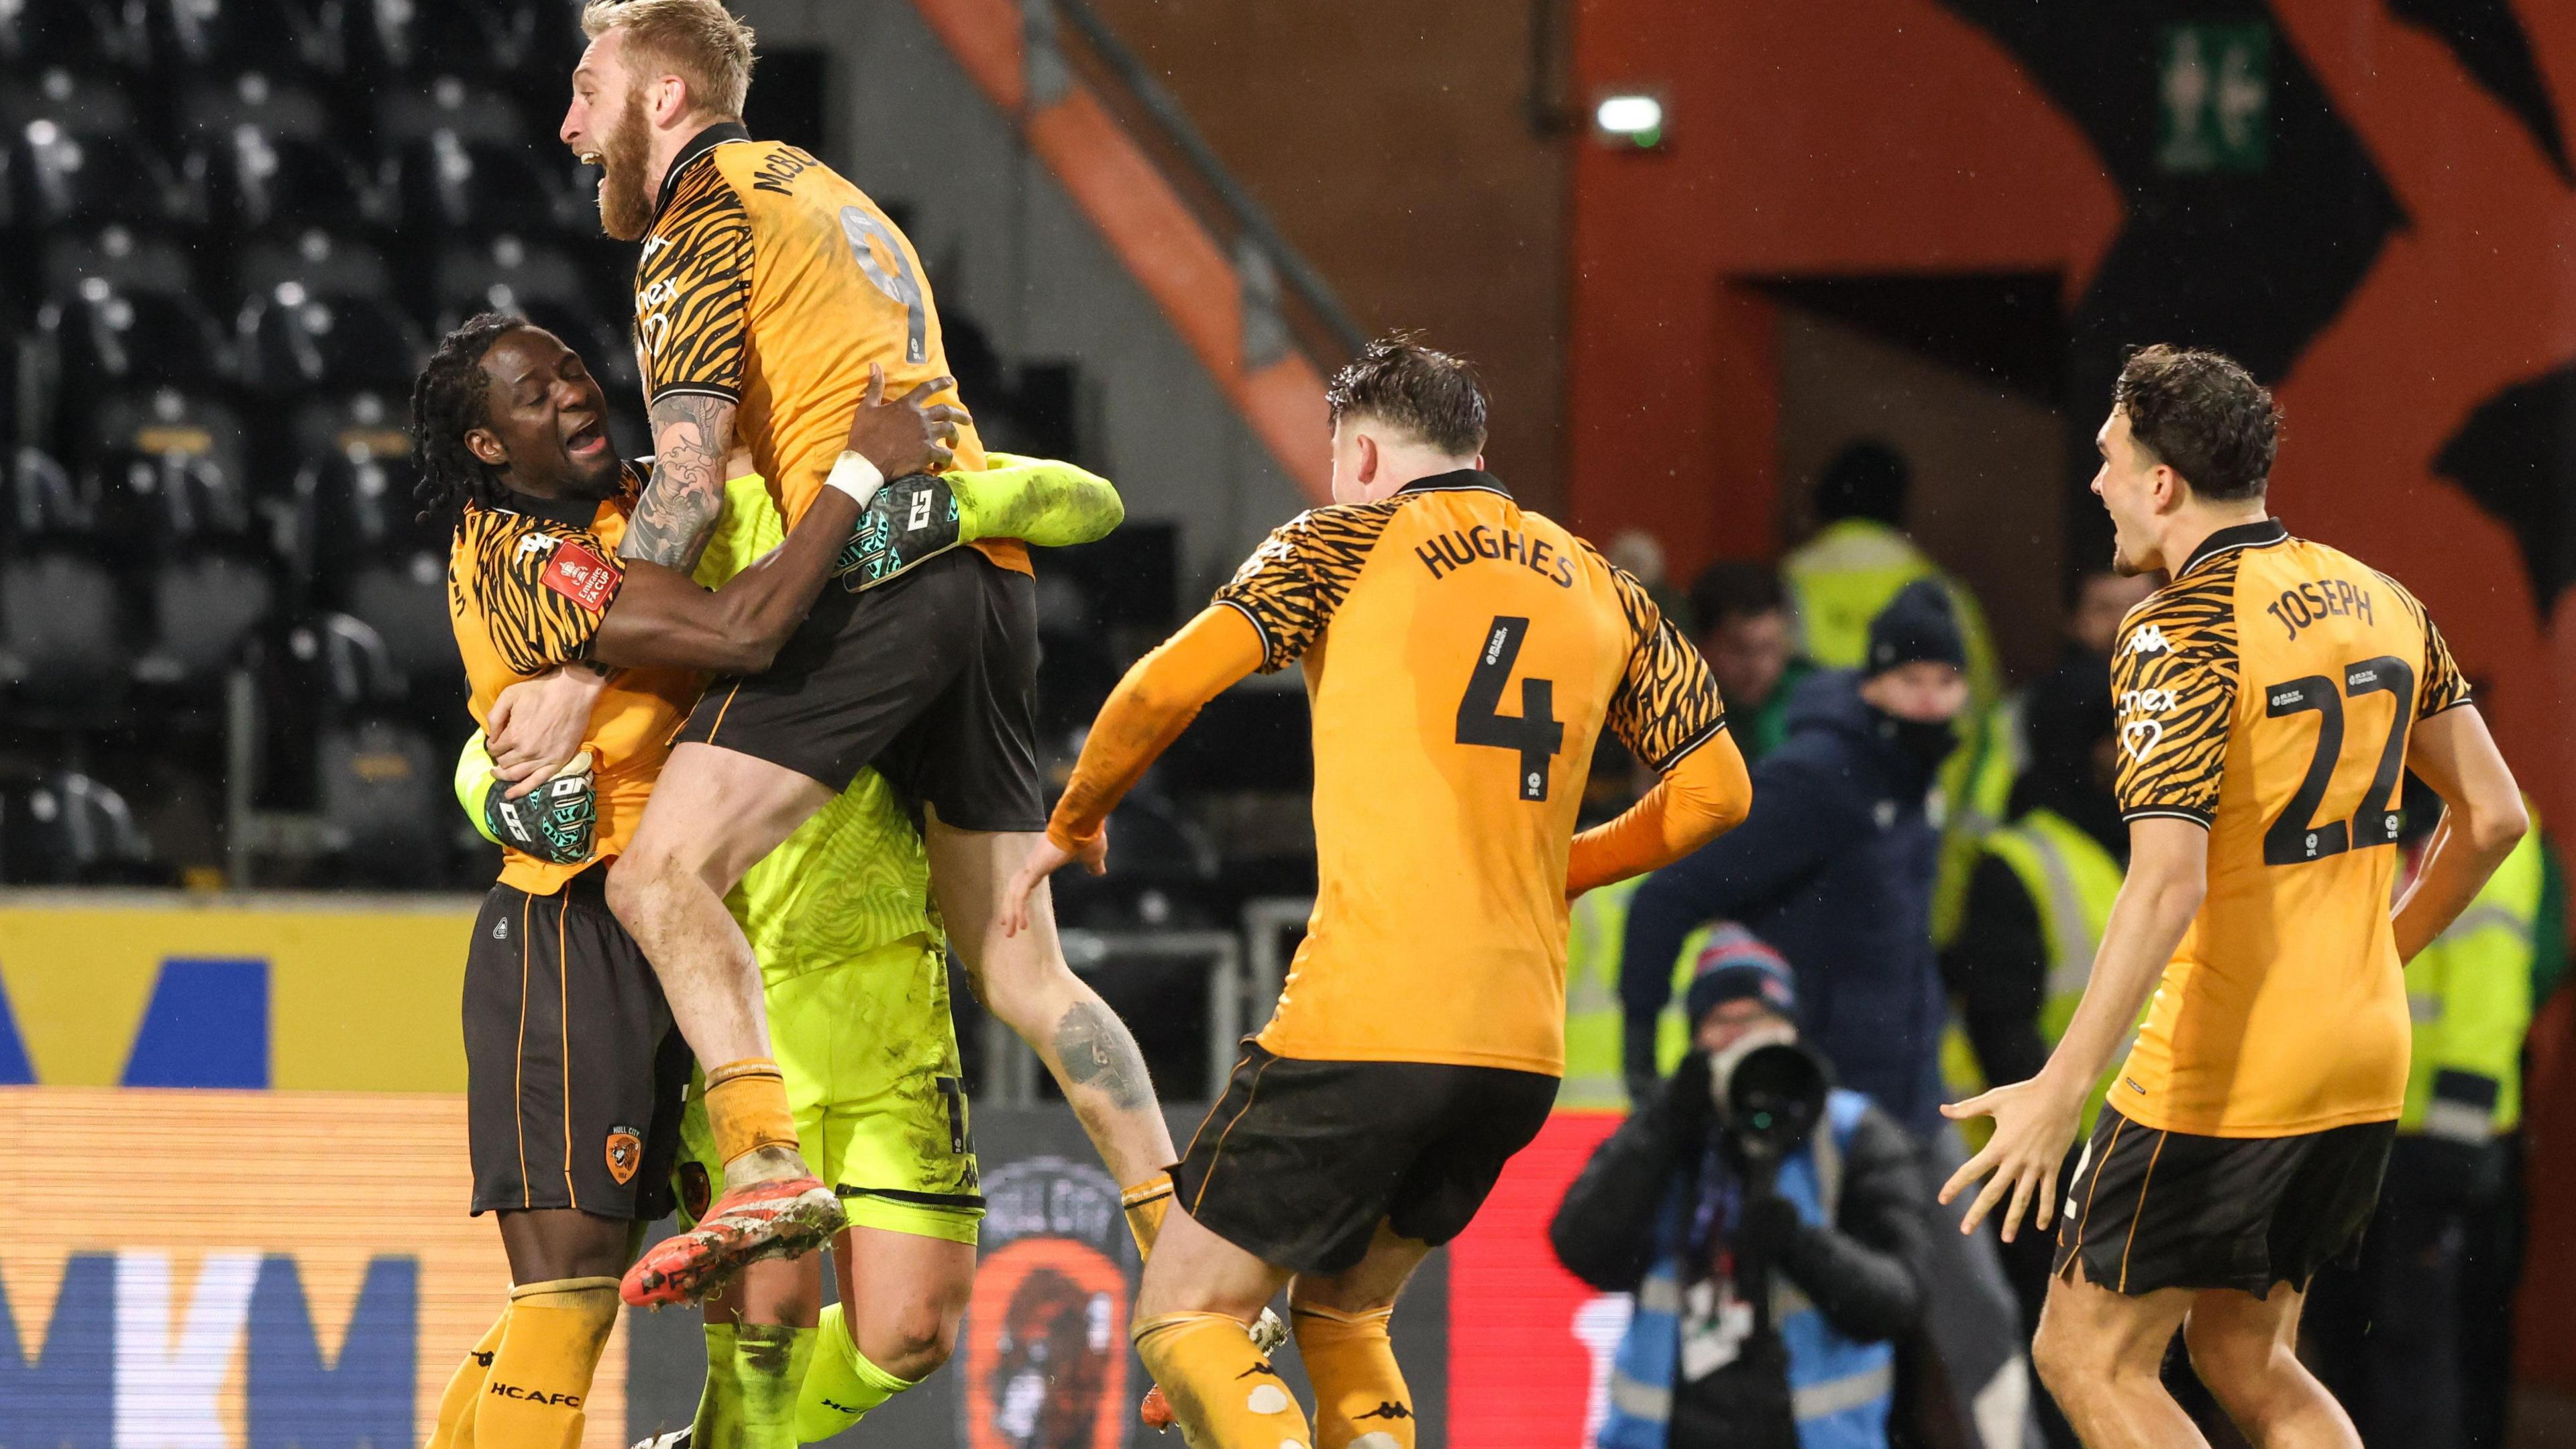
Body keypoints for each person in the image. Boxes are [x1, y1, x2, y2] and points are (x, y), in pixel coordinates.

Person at [493, 0, 1172, 1309]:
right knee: (1025, 964)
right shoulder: (836, 199)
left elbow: (685, 495)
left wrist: (585, 670)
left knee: (659, 876)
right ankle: (1190, 1247)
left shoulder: (703, 225)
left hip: (875, 582)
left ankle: (763, 1164)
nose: (572, 127)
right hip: (989, 587)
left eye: (591, 91)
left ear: (668, 100)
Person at [1000, 336, 1752, 1449]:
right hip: (1519, 1051)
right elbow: (1716, 795)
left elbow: (1162, 686)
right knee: (1346, 1314)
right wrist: (1554, 870)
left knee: (1184, 1313)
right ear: (1476, 450)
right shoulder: (1603, 583)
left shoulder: (1342, 541)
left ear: (1357, 453)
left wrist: (1076, 820)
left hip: (1369, 1024)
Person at [1941, 345, 2528, 1449]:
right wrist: (2374, 961)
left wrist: (2063, 1088)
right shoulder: (2382, 597)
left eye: (2111, 459)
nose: (2097, 482)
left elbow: (2166, 881)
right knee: (2243, 1356)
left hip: (2228, 1061)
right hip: (2362, 1055)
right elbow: (2494, 818)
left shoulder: (2177, 627)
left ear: (2164, 482)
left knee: (2084, 1353)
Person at [413, 315, 970, 1448]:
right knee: (566, 1298)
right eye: (532, 393)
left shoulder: (636, 502)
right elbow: (741, 631)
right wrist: (862, 469)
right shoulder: (524, 554)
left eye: (571, 367)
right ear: (484, 447)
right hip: (570, 932)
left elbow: (716, 510)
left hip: (666, 930)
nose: (570, 392)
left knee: (568, 1295)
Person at [1552, 930, 1927, 1449]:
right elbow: (1581, 1249)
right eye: (1719, 1023)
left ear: (1791, 1032)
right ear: (1695, 1039)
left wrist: (1801, 1245)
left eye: (1755, 1021)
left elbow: (1897, 1304)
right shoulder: (1673, 1130)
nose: (1738, 1039)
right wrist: (1667, 1119)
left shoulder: (1850, 1135)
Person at [1616, 580, 1966, 1130]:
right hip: (1815, 1097)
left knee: (1959, 1217)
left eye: (1946, 681)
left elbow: (1899, 938)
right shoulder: (1818, 778)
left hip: (1912, 1092)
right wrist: (1640, 1060)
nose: (1929, 700)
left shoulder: (1914, 775)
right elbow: (1668, 895)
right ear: (1872, 684)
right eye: (1910, 679)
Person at [2304, 786, 2546, 1449]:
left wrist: (2455, 1131)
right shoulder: (2367, 812)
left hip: (2439, 1135)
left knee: (2415, 1343)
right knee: (2346, 1336)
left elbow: (2487, 993)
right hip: (2353, 1128)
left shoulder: (2484, 816)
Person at [1688, 560, 1811, 763]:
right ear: (1700, 646)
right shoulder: (1673, 715)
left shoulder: (1817, 702)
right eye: (1740, 650)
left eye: (1769, 647)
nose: (1758, 667)